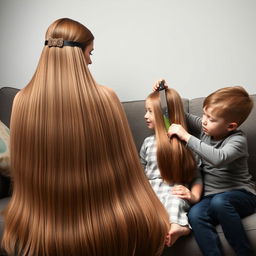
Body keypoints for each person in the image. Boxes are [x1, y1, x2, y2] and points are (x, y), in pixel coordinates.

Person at [1, 18, 170, 256]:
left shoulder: (21, 102)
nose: (90, 60)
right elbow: (128, 173)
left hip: (40, 228)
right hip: (110, 225)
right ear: (77, 54)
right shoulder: (106, 97)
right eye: (90, 53)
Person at [167, 85, 256, 255]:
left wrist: (186, 136)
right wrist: (163, 90)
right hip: (210, 198)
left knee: (220, 202)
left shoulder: (238, 140)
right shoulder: (205, 128)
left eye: (212, 119)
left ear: (230, 126)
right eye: (204, 115)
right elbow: (177, 112)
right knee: (195, 214)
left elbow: (218, 158)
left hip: (242, 194)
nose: (204, 121)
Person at [140, 88, 203, 247]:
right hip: (150, 190)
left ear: (165, 115)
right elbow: (139, 173)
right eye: (145, 111)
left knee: (175, 200)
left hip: (174, 189)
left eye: (150, 111)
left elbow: (197, 176)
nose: (145, 116)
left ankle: (178, 227)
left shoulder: (187, 144)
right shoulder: (148, 143)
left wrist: (193, 196)